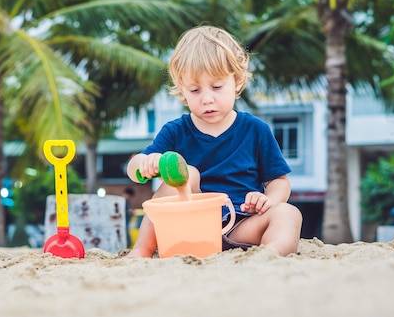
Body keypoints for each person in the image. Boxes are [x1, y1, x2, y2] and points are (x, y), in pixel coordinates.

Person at [126, 25, 302, 258]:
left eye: (217, 87)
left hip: (241, 226)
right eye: (195, 90)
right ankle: (142, 250)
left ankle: (270, 254)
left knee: (288, 213)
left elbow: (279, 181)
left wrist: (266, 200)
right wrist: (146, 164)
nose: (207, 99)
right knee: (188, 173)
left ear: (237, 82)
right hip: (189, 227)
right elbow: (133, 169)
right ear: (182, 90)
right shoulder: (175, 131)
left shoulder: (256, 130)